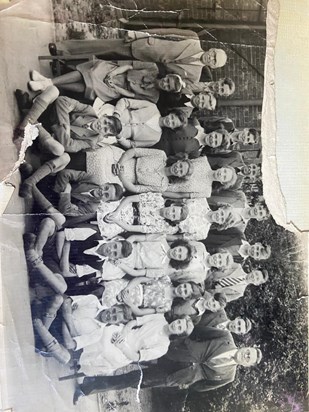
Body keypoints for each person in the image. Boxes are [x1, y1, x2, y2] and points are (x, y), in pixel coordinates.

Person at [73, 332, 262, 402]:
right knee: (126, 356)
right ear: (246, 346)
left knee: (134, 379)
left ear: (247, 364)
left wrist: (188, 381)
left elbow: (203, 387)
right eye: (248, 352)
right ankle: (84, 362)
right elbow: (201, 330)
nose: (245, 356)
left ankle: (88, 386)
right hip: (174, 352)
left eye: (248, 359)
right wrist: (184, 343)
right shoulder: (226, 338)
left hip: (176, 375)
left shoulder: (229, 376)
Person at [51, 28, 227, 82]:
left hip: (143, 68)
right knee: (103, 47)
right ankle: (62, 49)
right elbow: (164, 32)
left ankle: (63, 65)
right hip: (145, 46)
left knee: (102, 64)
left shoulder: (195, 77)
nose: (210, 58)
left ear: (212, 67)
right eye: (213, 55)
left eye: (213, 62)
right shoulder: (192, 38)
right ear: (211, 50)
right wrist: (140, 34)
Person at [77, 314, 194, 377]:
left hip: (126, 352)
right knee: (106, 331)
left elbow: (136, 357)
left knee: (106, 349)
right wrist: (123, 333)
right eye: (179, 322)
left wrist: (122, 346)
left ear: (179, 334)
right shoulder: (160, 318)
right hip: (126, 333)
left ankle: (77, 357)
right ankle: (76, 344)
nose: (175, 325)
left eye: (179, 328)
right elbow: (135, 322)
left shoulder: (163, 347)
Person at [15, 86, 122, 153]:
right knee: (54, 90)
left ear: (105, 136)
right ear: (103, 116)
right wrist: (65, 127)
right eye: (105, 122)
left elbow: (69, 146)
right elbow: (63, 101)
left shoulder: (91, 142)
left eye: (105, 129)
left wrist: (61, 126)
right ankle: (26, 122)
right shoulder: (89, 110)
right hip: (48, 113)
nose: (101, 125)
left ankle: (28, 112)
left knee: (60, 149)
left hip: (48, 134)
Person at [115, 148, 237, 198]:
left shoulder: (206, 191)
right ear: (222, 168)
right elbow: (183, 164)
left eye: (225, 177)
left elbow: (180, 195)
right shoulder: (203, 161)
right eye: (225, 171)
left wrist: (162, 192)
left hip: (163, 185)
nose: (222, 174)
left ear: (222, 182)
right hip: (159, 169)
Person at [29, 66, 185, 104]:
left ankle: (47, 83)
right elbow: (129, 66)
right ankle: (48, 82)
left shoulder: (154, 97)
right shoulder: (152, 67)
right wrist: (113, 74)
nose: (165, 84)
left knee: (91, 87)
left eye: (168, 86)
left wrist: (115, 87)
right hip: (115, 71)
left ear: (168, 90)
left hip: (118, 90)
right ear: (167, 76)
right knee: (90, 73)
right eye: (167, 80)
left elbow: (131, 95)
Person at [96, 193, 189, 239]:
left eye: (173, 216)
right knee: (97, 209)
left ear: (172, 220)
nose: (170, 213)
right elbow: (130, 199)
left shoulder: (160, 226)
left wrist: (116, 221)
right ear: (172, 205)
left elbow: (130, 228)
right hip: (123, 206)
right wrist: (116, 212)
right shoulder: (157, 199)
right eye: (173, 210)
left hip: (124, 223)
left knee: (98, 229)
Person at [100, 277, 202, 317]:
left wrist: (129, 302)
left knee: (105, 304)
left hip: (130, 303)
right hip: (129, 286)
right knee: (103, 288)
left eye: (185, 292)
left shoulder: (166, 306)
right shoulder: (165, 280)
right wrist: (128, 289)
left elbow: (141, 312)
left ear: (185, 298)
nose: (181, 289)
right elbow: (140, 279)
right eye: (184, 286)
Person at [111, 99, 189, 149]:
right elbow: (125, 101)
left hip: (115, 135)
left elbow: (132, 145)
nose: (169, 121)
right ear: (171, 113)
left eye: (173, 123)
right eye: (172, 117)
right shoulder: (152, 107)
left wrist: (120, 138)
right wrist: (116, 115)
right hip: (114, 114)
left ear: (173, 129)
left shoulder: (155, 139)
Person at [52, 169, 124, 216]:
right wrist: (67, 202)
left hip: (52, 204)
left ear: (106, 202)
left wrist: (66, 193)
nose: (102, 192)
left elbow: (65, 211)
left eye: (106, 195)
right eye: (106, 188)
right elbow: (65, 173)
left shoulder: (91, 208)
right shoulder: (92, 179)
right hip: (51, 185)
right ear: (106, 183)